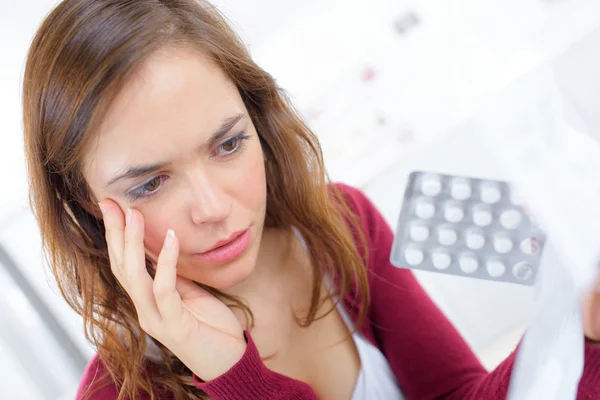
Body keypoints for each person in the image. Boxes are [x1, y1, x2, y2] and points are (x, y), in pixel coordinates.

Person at [21, 0, 600, 399]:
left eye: (228, 144)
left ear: (257, 117)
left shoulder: (340, 227)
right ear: (87, 202)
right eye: (150, 182)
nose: (213, 207)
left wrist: (585, 332)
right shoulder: (117, 392)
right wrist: (229, 373)